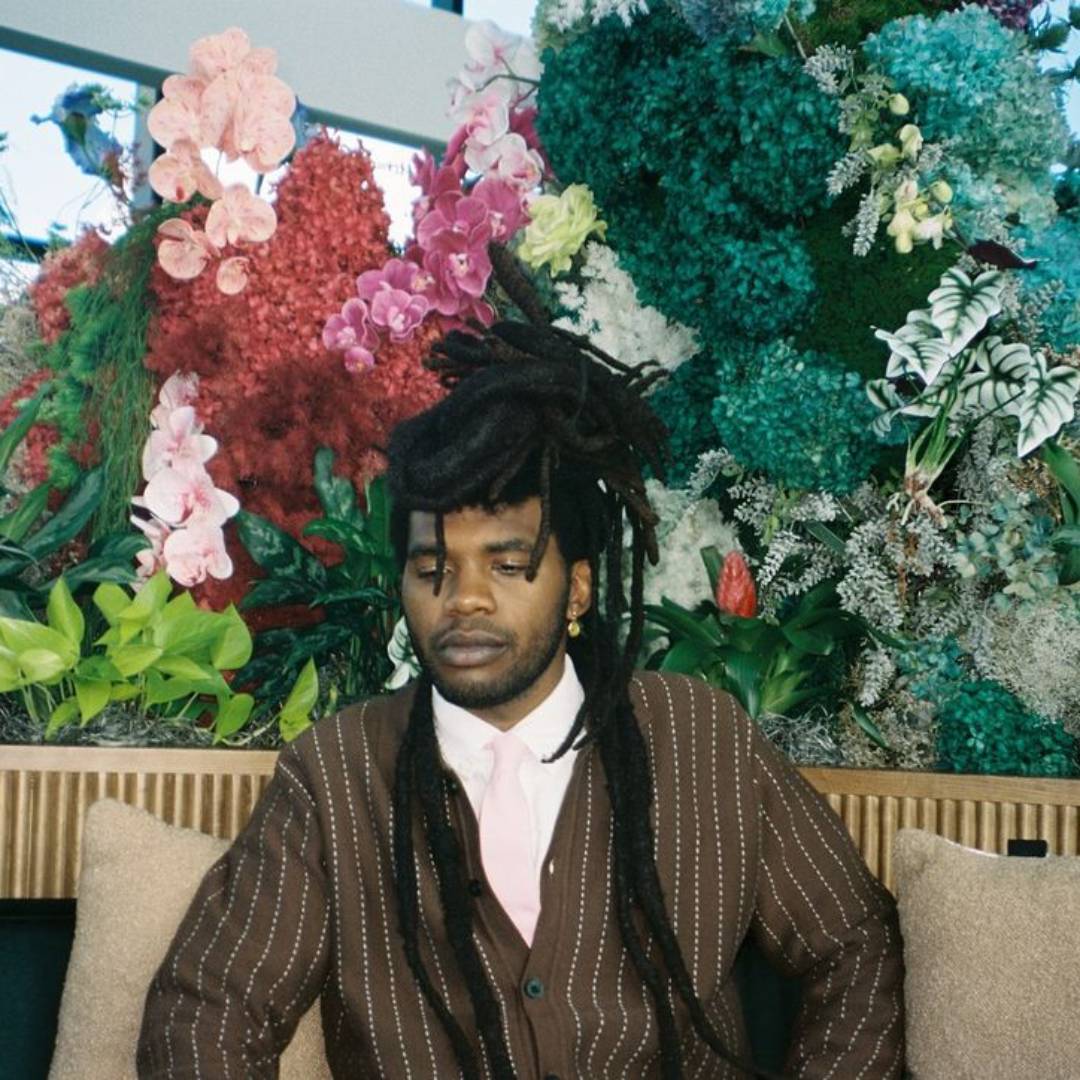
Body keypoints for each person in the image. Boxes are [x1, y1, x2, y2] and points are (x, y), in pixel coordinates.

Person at [137, 321, 904, 1079]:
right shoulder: (335, 773)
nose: (464, 599)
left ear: (577, 590)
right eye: (432, 568)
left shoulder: (701, 738)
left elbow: (854, 945)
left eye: (507, 566)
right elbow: (206, 1012)